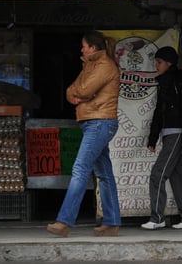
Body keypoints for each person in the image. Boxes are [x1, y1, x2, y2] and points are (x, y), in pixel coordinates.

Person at [47, 30, 121, 237]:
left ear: (93, 48)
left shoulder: (105, 66)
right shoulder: (91, 65)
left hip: (100, 123)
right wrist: (75, 92)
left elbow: (83, 91)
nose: (81, 50)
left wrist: (77, 92)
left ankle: (64, 221)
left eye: (84, 46)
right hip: (95, 122)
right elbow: (71, 91)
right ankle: (112, 222)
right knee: (104, 174)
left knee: (80, 169)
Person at [141, 46, 182, 230]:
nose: (156, 65)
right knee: (178, 177)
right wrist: (152, 138)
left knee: (158, 174)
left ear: (169, 63)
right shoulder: (165, 81)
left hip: (176, 132)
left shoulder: (178, 80)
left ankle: (157, 218)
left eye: (159, 62)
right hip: (170, 133)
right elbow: (160, 112)